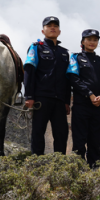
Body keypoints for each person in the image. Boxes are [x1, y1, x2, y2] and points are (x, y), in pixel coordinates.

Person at [23, 16, 71, 155]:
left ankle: (59, 166)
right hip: (41, 98)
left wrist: (67, 101)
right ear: (43, 31)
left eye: (55, 25)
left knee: (61, 134)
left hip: (59, 101)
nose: (52, 27)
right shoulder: (36, 48)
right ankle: (37, 165)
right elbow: (29, 72)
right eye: (49, 25)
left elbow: (67, 79)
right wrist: (29, 96)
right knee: (38, 132)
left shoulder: (64, 53)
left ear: (59, 31)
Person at [66, 29, 100, 168]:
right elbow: (74, 79)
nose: (92, 42)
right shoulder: (75, 58)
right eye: (89, 39)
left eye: (95, 40)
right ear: (83, 42)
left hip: (98, 108)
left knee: (95, 143)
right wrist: (90, 94)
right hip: (81, 106)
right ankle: (78, 172)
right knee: (79, 142)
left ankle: (94, 174)